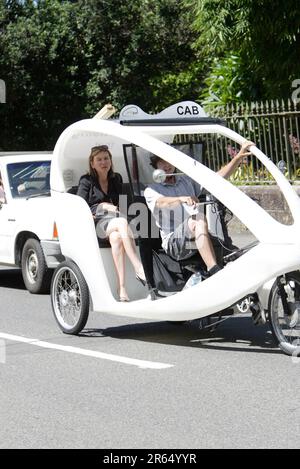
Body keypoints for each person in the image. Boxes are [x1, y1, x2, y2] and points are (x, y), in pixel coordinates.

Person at [144, 140, 254, 276]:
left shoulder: (186, 181)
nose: (166, 165)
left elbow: (216, 178)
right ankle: (214, 271)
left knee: (231, 251)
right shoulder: (151, 190)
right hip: (175, 245)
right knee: (197, 220)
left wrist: (238, 158)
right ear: (156, 165)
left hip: (196, 240)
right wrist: (180, 199)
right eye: (162, 162)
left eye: (169, 160)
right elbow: (162, 202)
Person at [77, 145, 146, 302]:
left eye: (106, 158)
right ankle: (138, 267)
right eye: (99, 159)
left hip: (114, 221)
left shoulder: (116, 178)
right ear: (92, 163)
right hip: (95, 223)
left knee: (116, 238)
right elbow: (80, 206)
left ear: (110, 161)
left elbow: (121, 204)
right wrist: (102, 207)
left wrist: (116, 211)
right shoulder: (86, 180)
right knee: (121, 223)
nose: (103, 162)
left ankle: (122, 289)